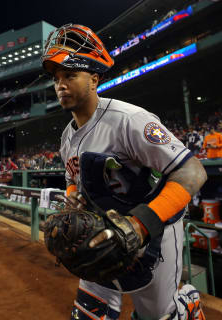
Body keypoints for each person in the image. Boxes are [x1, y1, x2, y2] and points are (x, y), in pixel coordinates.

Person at [41, 24, 207, 320]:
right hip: (102, 232)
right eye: (56, 79)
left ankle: (188, 305)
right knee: (90, 314)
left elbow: (193, 172)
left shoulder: (129, 119)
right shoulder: (67, 136)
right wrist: (73, 199)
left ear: (94, 79)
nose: (60, 85)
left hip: (154, 229)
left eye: (69, 75)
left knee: (158, 316)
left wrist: (140, 225)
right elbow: (72, 180)